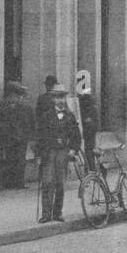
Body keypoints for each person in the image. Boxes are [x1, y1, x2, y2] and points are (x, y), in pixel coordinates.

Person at [36, 84, 81, 222]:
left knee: (60, 184)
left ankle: (57, 213)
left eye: (62, 97)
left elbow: (76, 135)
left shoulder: (69, 116)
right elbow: (40, 136)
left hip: (63, 153)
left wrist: (74, 149)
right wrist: (38, 154)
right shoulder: (46, 116)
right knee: (47, 182)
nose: (60, 101)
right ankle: (46, 214)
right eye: (57, 98)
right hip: (49, 152)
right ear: (53, 99)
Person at [0, 82, 34, 188]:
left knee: (9, 158)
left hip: (8, 136)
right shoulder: (25, 104)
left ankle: (8, 182)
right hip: (22, 136)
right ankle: (19, 182)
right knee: (20, 159)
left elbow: (0, 121)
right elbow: (30, 121)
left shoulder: (3, 103)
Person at [77, 81, 99, 165]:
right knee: (90, 149)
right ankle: (92, 168)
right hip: (92, 128)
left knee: (88, 150)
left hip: (88, 129)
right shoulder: (91, 99)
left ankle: (91, 169)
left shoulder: (85, 100)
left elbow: (85, 115)